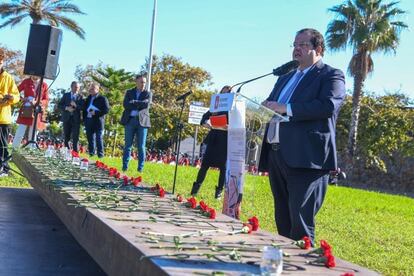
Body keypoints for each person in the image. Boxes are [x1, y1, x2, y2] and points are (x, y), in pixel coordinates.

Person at [258, 28, 345, 244]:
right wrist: (263, 107)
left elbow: (328, 106)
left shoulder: (331, 75)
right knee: (283, 219)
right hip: (277, 155)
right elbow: (272, 105)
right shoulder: (285, 77)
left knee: (300, 224)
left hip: (307, 159)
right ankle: (284, 264)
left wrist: (285, 108)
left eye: (303, 45)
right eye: (295, 44)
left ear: (318, 49)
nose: (297, 49)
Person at [190, 85, 231, 199]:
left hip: (225, 140)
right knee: (205, 165)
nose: (224, 96)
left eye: (227, 94)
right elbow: (204, 118)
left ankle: (218, 192)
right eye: (223, 93)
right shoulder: (215, 106)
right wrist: (206, 124)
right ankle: (195, 188)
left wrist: (229, 127)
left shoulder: (232, 108)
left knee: (223, 167)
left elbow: (236, 123)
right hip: (214, 138)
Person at [120, 74, 151, 172]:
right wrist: (139, 103)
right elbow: (125, 104)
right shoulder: (129, 92)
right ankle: (125, 167)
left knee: (141, 146)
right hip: (130, 120)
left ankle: (140, 169)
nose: (143, 84)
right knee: (128, 145)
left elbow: (146, 105)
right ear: (136, 82)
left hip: (142, 122)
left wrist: (133, 102)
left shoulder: (148, 93)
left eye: (145, 82)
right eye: (141, 82)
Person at [12, 75, 49, 148]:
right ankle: (14, 151)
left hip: (37, 112)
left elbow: (46, 100)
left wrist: (38, 102)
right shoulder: (26, 81)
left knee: (33, 134)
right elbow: (15, 92)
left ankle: (30, 152)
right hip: (26, 110)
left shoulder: (44, 85)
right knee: (20, 131)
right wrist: (22, 99)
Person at [0, 49, 20, 176]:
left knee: (2, 145)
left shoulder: (8, 77)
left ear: (2, 62)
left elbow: (17, 96)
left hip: (3, 118)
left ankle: (4, 168)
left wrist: (12, 97)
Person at [83, 82, 109, 158]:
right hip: (89, 120)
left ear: (97, 90)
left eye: (92, 88)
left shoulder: (103, 98)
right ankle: (91, 154)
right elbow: (85, 108)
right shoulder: (88, 98)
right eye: (90, 88)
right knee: (90, 138)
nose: (90, 90)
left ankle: (100, 155)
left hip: (98, 121)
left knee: (98, 138)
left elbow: (106, 110)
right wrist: (85, 119)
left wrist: (96, 112)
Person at [58, 81, 84, 152]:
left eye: (78, 87)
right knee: (67, 136)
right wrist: (66, 108)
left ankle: (75, 153)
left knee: (75, 137)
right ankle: (67, 152)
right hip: (66, 118)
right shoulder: (66, 95)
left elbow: (82, 107)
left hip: (76, 120)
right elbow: (59, 105)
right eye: (75, 87)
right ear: (71, 87)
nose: (77, 89)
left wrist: (76, 105)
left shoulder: (80, 97)